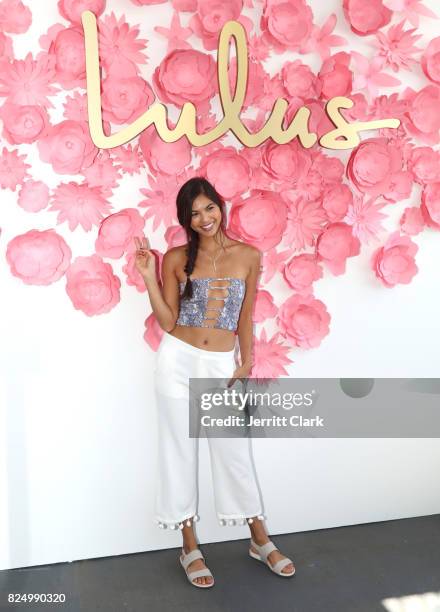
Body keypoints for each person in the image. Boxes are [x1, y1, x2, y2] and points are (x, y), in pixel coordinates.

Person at [133, 177, 295, 588]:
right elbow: (168, 322)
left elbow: (246, 313)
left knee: (233, 453)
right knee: (178, 452)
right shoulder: (174, 257)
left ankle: (259, 539)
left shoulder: (248, 255)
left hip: (220, 365)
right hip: (176, 362)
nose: (204, 219)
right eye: (194, 213)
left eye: (209, 208)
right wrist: (149, 277)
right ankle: (189, 546)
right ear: (185, 219)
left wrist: (246, 359)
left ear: (220, 207)